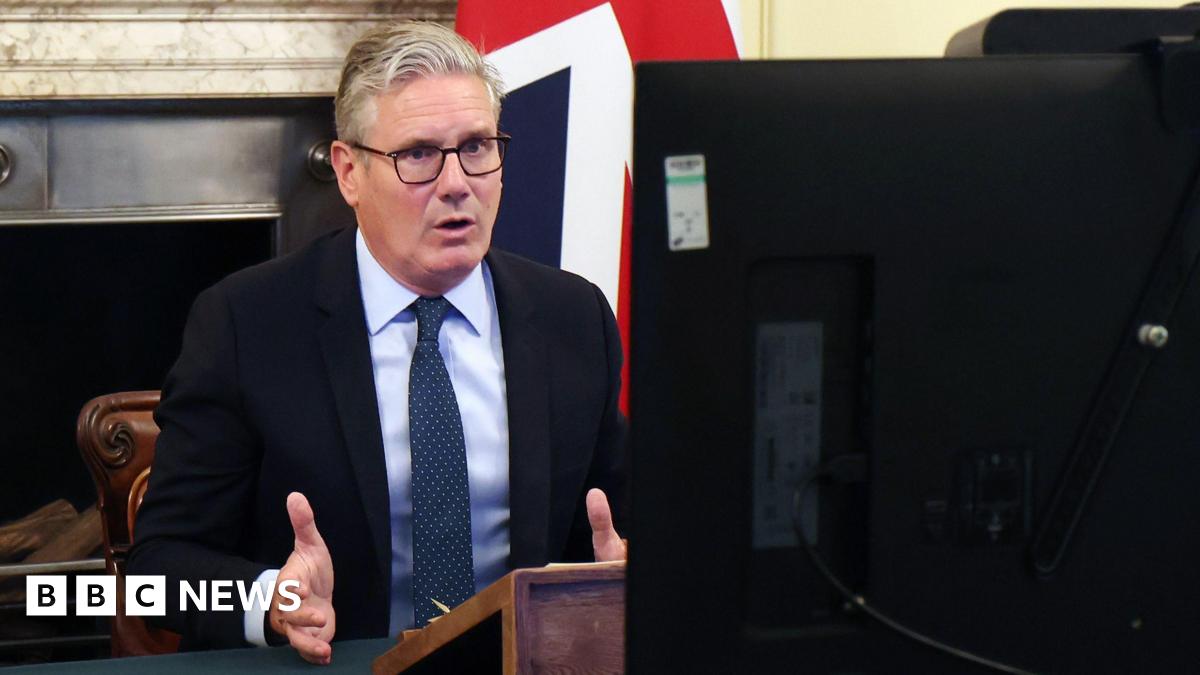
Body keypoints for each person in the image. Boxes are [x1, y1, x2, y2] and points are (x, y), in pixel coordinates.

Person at [127, 20, 627, 665]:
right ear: (348, 172)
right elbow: (156, 578)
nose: (456, 183)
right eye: (418, 154)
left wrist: (632, 571)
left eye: (477, 146)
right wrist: (273, 602)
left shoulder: (571, 316)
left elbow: (617, 529)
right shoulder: (247, 323)